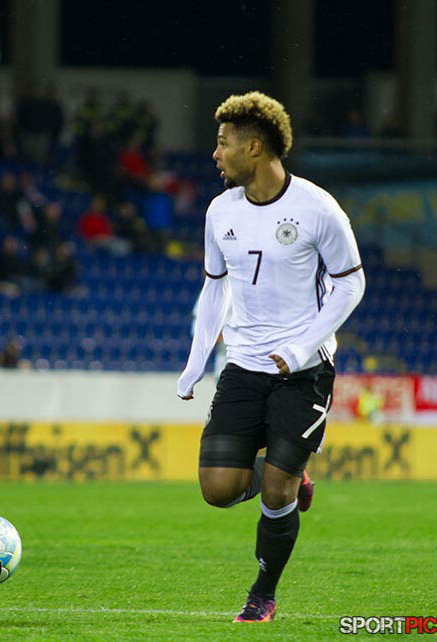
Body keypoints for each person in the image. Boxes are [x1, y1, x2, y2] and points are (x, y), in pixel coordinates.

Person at [177, 92, 365, 622]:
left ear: (254, 147)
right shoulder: (220, 211)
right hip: (243, 365)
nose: (215, 154)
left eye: (223, 144)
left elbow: (352, 285)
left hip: (303, 372)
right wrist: (196, 360)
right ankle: (288, 472)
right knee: (218, 491)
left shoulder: (317, 208)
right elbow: (215, 288)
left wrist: (303, 344)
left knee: (277, 489)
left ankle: (262, 593)